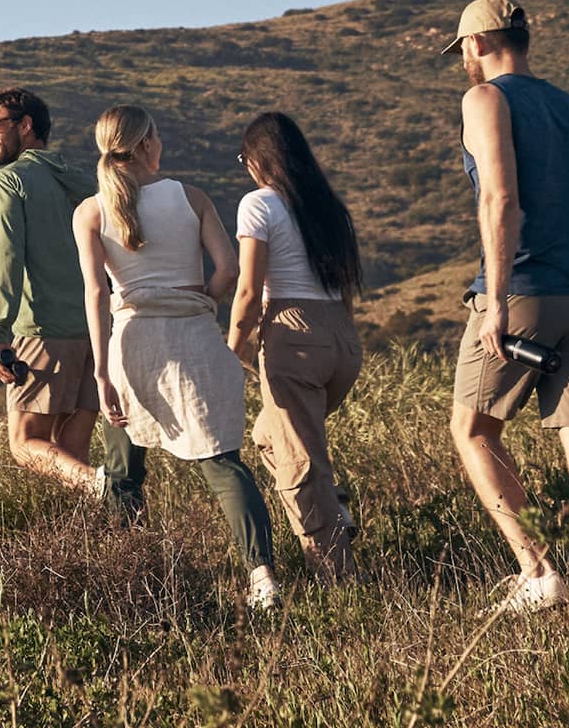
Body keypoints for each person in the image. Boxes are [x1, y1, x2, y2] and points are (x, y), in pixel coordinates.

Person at [444, 0, 569, 616]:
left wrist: (495, 302)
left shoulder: (484, 99)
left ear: (475, 45)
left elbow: (500, 200)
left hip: (521, 293)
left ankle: (539, 570)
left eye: (462, 50)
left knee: (472, 430)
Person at [74, 105, 281, 610]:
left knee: (123, 471)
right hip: (192, 337)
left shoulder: (90, 210)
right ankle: (262, 577)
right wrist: (202, 300)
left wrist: (100, 372)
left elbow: (96, 295)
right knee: (221, 461)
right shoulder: (191, 197)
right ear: (146, 146)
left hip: (131, 343)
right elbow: (229, 269)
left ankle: (136, 580)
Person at [227, 111, 364, 582]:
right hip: (342, 339)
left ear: (259, 160)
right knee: (270, 435)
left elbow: (248, 292)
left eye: (245, 158)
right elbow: (344, 291)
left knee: (298, 462)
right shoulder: (328, 207)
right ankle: (336, 509)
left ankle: (339, 578)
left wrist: (230, 352)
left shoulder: (258, 205)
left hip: (293, 333)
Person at [0, 86, 108, 492]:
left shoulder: (9, 181)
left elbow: (7, 262)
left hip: (42, 330)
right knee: (70, 451)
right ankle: (97, 538)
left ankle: (102, 487)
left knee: (24, 445)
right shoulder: (85, 182)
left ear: (26, 125)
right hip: (96, 333)